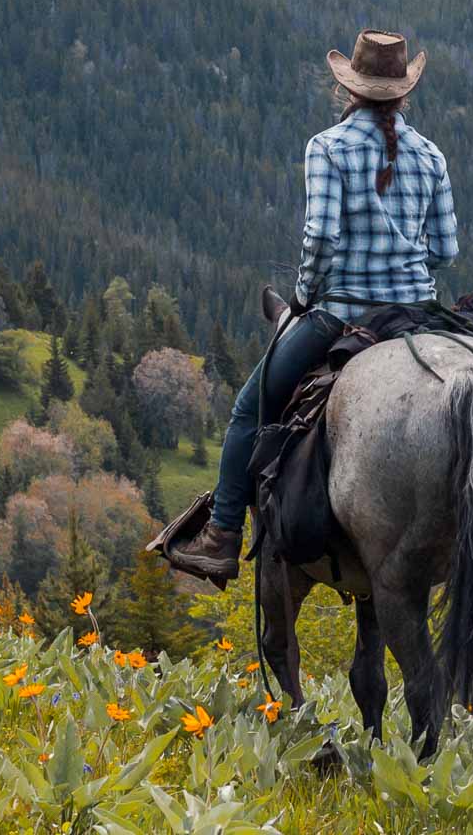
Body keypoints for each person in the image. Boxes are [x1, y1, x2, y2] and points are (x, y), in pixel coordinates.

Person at [167, 30, 458, 582]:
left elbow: (321, 236)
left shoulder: (327, 146)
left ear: (348, 87)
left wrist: (304, 295)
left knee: (249, 408)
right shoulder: (431, 155)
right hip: (419, 315)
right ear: (402, 91)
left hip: (343, 312)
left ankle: (221, 534)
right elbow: (445, 250)